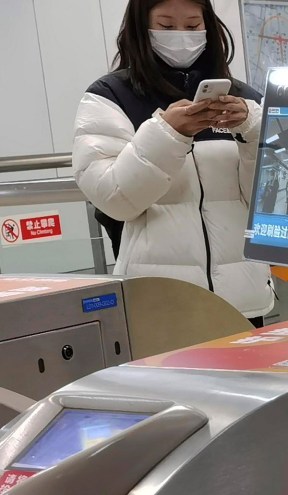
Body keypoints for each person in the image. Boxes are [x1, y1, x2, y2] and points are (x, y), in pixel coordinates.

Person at [73, 0, 273, 325]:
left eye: (193, 26)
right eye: (166, 26)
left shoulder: (245, 101)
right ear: (141, 27)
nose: (181, 36)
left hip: (244, 301)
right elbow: (115, 201)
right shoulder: (109, 97)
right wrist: (169, 133)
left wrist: (252, 129)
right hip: (160, 308)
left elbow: (270, 204)